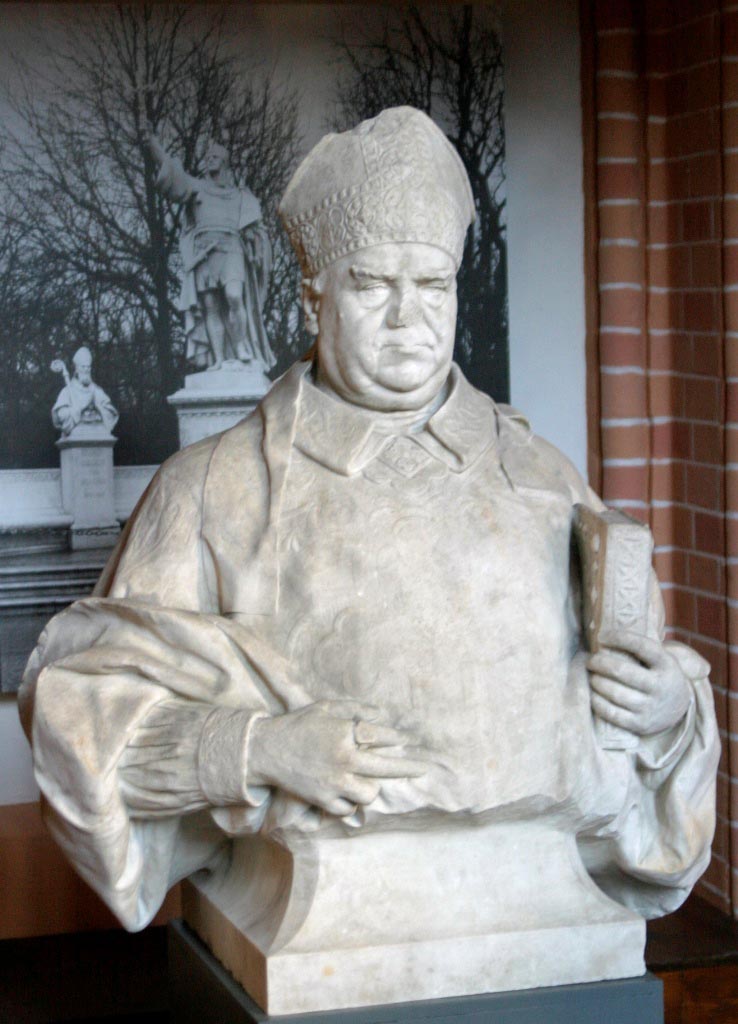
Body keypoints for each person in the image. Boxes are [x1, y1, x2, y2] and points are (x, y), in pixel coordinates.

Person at [21, 108, 718, 936]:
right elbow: (82, 713)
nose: (406, 316)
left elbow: (641, 680)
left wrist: (666, 711)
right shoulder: (213, 489)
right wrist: (258, 749)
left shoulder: (545, 478)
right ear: (313, 300)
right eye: (372, 284)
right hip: (319, 920)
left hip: (549, 911)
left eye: (432, 286)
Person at [146, 130, 275, 373]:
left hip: (231, 248)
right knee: (210, 306)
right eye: (207, 157)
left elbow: (256, 231)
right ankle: (218, 359)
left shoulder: (240, 195)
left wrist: (256, 244)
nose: (208, 160)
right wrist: (154, 146)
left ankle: (241, 346)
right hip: (203, 253)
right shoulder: (198, 188)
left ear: (224, 161)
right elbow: (174, 178)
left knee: (234, 296)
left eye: (214, 157)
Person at [51, 346, 118, 437]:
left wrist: (99, 409)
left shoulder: (96, 390)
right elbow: (61, 415)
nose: (86, 370)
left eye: (88, 367)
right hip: (76, 434)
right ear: (77, 369)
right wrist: (77, 410)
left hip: (97, 430)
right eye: (83, 367)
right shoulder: (67, 391)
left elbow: (110, 412)